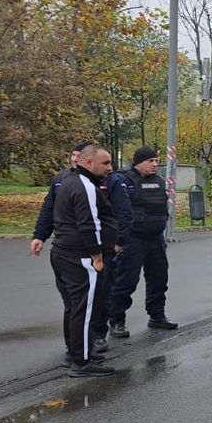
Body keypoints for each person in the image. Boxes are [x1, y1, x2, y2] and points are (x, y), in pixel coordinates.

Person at [50, 144, 118, 377]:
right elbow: (89, 224)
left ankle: (76, 351)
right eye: (105, 163)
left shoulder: (69, 181)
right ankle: (82, 361)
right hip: (80, 257)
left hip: (64, 253)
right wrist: (97, 256)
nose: (110, 167)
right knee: (85, 309)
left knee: (74, 307)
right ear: (88, 162)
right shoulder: (84, 185)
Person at [105, 146, 178, 338]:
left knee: (159, 278)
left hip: (155, 239)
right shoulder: (123, 180)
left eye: (156, 161)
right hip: (132, 239)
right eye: (150, 161)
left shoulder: (159, 181)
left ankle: (157, 315)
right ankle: (117, 321)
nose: (154, 164)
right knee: (125, 281)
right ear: (138, 162)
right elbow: (116, 211)